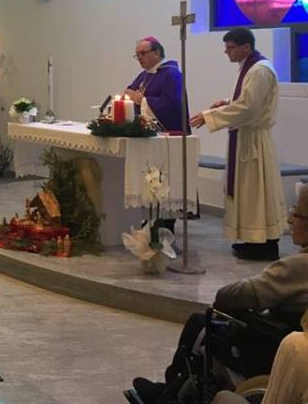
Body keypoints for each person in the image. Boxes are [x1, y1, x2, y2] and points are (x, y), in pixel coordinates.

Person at [126, 185, 308, 404]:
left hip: (273, 347)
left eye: (296, 213)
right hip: (281, 336)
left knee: (202, 324)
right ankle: (171, 389)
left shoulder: (297, 267)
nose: (290, 220)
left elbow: (233, 295)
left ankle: (167, 397)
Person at [189, 28, 286, 261]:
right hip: (244, 137)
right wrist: (226, 102)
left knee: (256, 192)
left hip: (254, 143)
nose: (226, 52)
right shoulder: (250, 67)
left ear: (246, 47)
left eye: (230, 47)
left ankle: (266, 244)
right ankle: (254, 240)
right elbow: (246, 101)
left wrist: (210, 116)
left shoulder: (260, 70)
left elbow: (249, 108)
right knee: (249, 192)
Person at [124, 37, 187, 133]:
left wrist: (143, 101)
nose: (139, 58)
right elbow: (130, 94)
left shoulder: (172, 74)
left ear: (157, 53)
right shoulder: (144, 75)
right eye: (137, 55)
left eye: (143, 53)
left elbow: (172, 104)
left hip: (169, 133)